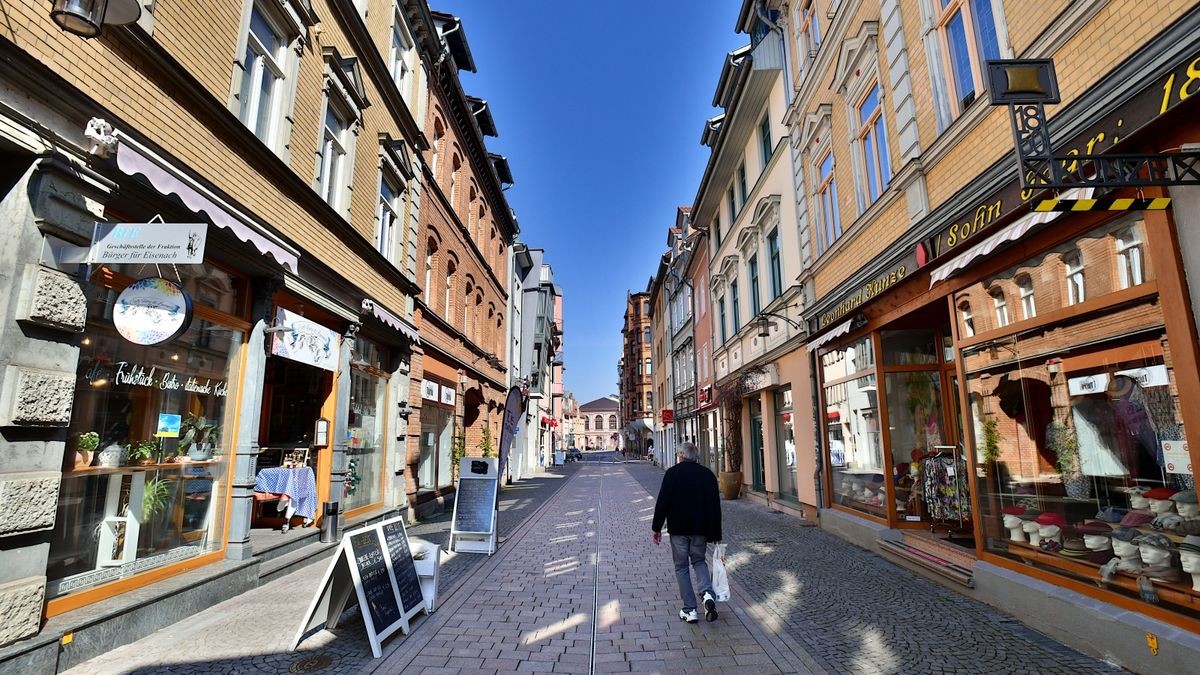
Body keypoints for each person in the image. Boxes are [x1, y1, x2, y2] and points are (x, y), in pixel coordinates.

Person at [651, 441, 722, 623]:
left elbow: (663, 502)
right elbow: (715, 506)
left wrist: (656, 528)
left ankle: (690, 609)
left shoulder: (672, 474)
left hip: (678, 529)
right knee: (699, 561)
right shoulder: (707, 475)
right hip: (701, 529)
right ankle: (707, 594)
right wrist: (716, 534)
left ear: (681, 456)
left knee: (681, 566)